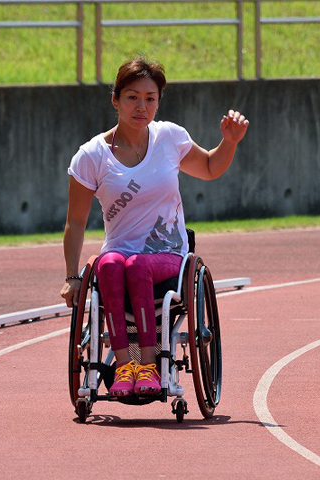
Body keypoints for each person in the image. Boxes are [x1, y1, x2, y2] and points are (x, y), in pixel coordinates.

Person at [60, 56, 249, 397]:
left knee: (137, 264)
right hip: (117, 256)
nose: (141, 106)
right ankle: (126, 365)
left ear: (159, 101)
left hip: (168, 257)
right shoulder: (90, 157)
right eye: (132, 97)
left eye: (150, 98)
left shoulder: (170, 138)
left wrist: (230, 143)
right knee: (114, 262)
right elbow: (75, 222)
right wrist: (72, 277)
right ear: (115, 99)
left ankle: (147, 363)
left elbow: (208, 167)